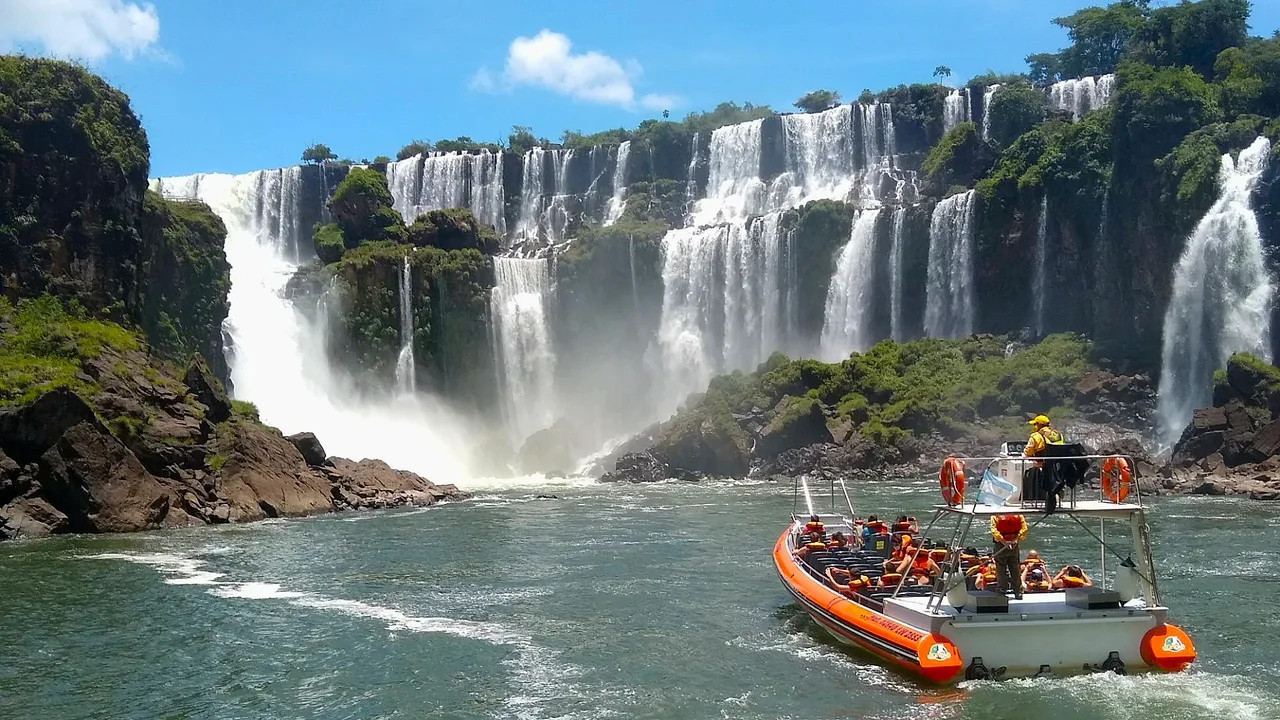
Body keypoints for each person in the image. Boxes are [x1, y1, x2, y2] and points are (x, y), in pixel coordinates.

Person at [990, 513, 1028, 599]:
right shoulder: (1019, 515)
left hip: (1001, 544)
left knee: (1000, 568)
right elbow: (1024, 528)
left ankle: (1002, 590)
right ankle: (1018, 592)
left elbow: (994, 531)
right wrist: (1016, 540)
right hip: (1014, 543)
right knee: (1015, 567)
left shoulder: (995, 516)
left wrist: (1004, 542)